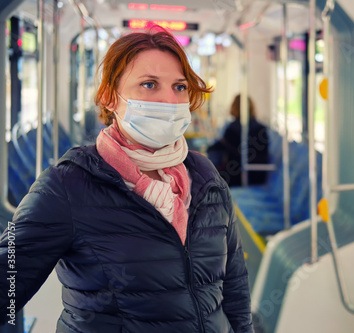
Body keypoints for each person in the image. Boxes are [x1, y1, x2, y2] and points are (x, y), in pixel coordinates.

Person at [0, 26, 253, 333]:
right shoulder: (68, 185)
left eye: (179, 87)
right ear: (109, 97)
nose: (169, 100)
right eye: (149, 85)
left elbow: (235, 291)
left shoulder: (205, 176)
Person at [208, 95, 269, 187]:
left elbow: (216, 148)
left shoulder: (233, 129)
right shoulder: (261, 129)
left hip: (238, 175)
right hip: (259, 175)